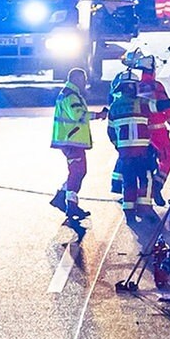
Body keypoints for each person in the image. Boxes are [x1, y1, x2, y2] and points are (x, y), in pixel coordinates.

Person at [51, 66, 99, 232]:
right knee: (77, 171)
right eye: (83, 79)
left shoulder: (70, 94)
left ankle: (62, 197)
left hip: (70, 140)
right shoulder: (70, 95)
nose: (85, 82)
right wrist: (98, 115)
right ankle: (71, 205)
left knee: (79, 171)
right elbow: (77, 115)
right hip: (71, 141)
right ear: (77, 79)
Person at [108, 68, 156, 220]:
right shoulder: (141, 103)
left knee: (128, 181)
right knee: (145, 178)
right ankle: (144, 208)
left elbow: (110, 131)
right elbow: (159, 107)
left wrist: (119, 146)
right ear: (130, 86)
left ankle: (128, 211)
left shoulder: (114, 107)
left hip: (125, 153)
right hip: (141, 151)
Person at [138, 53, 170, 206]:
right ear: (152, 70)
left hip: (139, 132)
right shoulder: (157, 86)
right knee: (167, 156)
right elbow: (166, 105)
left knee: (141, 162)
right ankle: (157, 186)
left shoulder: (135, 86)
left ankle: (137, 195)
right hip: (158, 132)